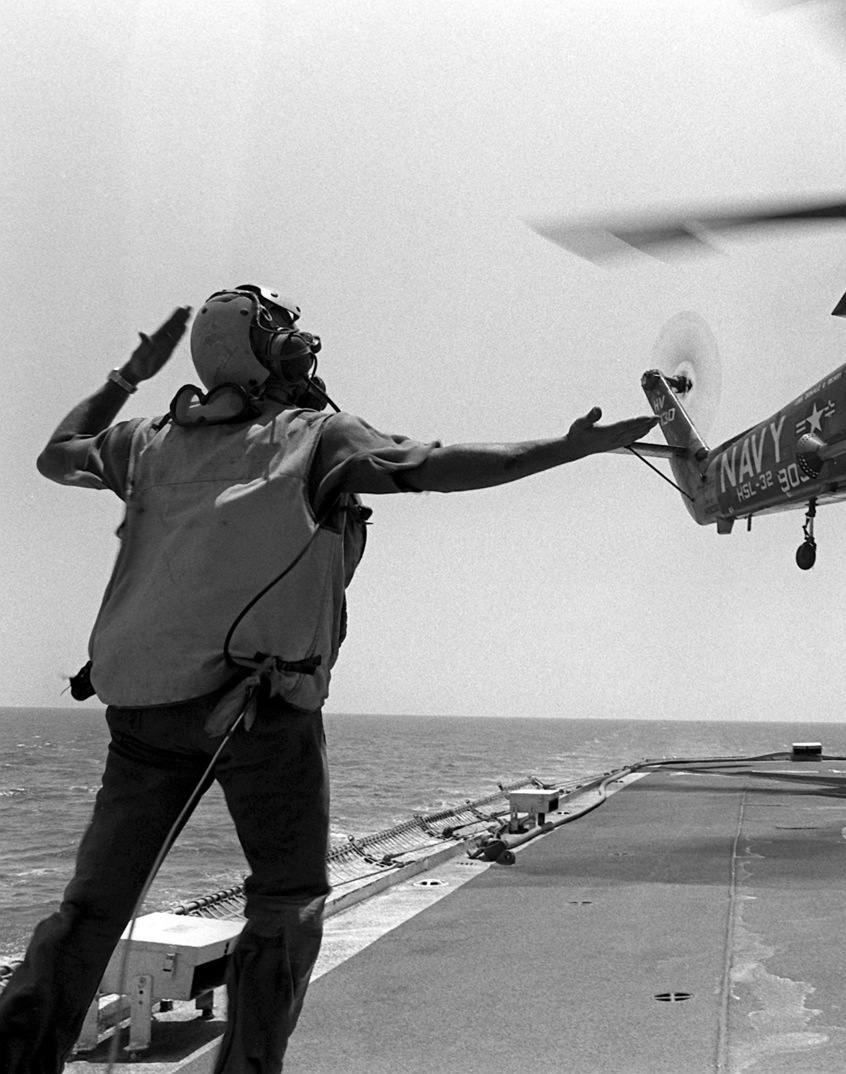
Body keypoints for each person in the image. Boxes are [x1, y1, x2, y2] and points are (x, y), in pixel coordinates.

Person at [0, 286, 657, 1074]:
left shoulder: (146, 441)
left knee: (90, 910)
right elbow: (438, 468)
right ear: (263, 349)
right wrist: (565, 447)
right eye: (287, 330)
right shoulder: (314, 439)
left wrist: (125, 376)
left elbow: (57, 452)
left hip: (142, 717)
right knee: (285, 902)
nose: (305, 342)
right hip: (260, 715)